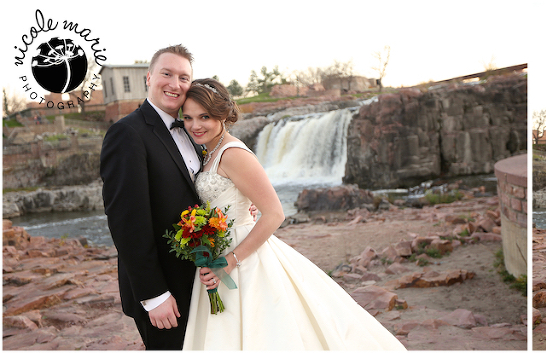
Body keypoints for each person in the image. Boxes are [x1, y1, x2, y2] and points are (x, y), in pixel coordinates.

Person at [180, 78, 406, 350]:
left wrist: (230, 260)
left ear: (222, 114)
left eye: (204, 116)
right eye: (188, 117)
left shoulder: (233, 153)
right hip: (219, 250)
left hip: (241, 258)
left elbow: (275, 214)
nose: (195, 125)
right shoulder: (208, 151)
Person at [100, 44, 202, 350]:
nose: (175, 84)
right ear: (149, 78)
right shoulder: (127, 133)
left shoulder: (194, 129)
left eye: (184, 77)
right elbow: (126, 222)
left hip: (199, 278)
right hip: (164, 289)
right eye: (166, 74)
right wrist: (154, 294)